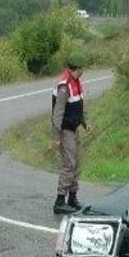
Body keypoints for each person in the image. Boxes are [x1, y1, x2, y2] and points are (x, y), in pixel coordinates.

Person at [52, 52, 90, 214]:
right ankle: (60, 201)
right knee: (69, 164)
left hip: (74, 129)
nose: (83, 71)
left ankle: (72, 198)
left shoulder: (76, 82)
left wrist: (85, 122)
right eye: (82, 68)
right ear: (78, 68)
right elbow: (58, 113)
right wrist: (56, 136)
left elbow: (79, 105)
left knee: (76, 163)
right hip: (65, 130)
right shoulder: (64, 86)